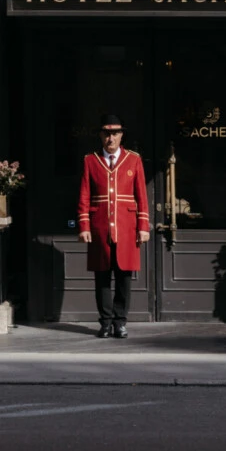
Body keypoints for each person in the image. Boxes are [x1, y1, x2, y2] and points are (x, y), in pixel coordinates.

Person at [76, 116, 150, 338]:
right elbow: (84, 195)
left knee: (124, 278)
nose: (111, 138)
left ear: (121, 135)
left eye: (115, 133)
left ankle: (120, 322)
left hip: (127, 228)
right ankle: (105, 322)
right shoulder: (91, 160)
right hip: (99, 228)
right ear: (101, 135)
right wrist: (84, 226)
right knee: (102, 277)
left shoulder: (134, 160)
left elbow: (142, 196)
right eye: (107, 134)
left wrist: (143, 226)